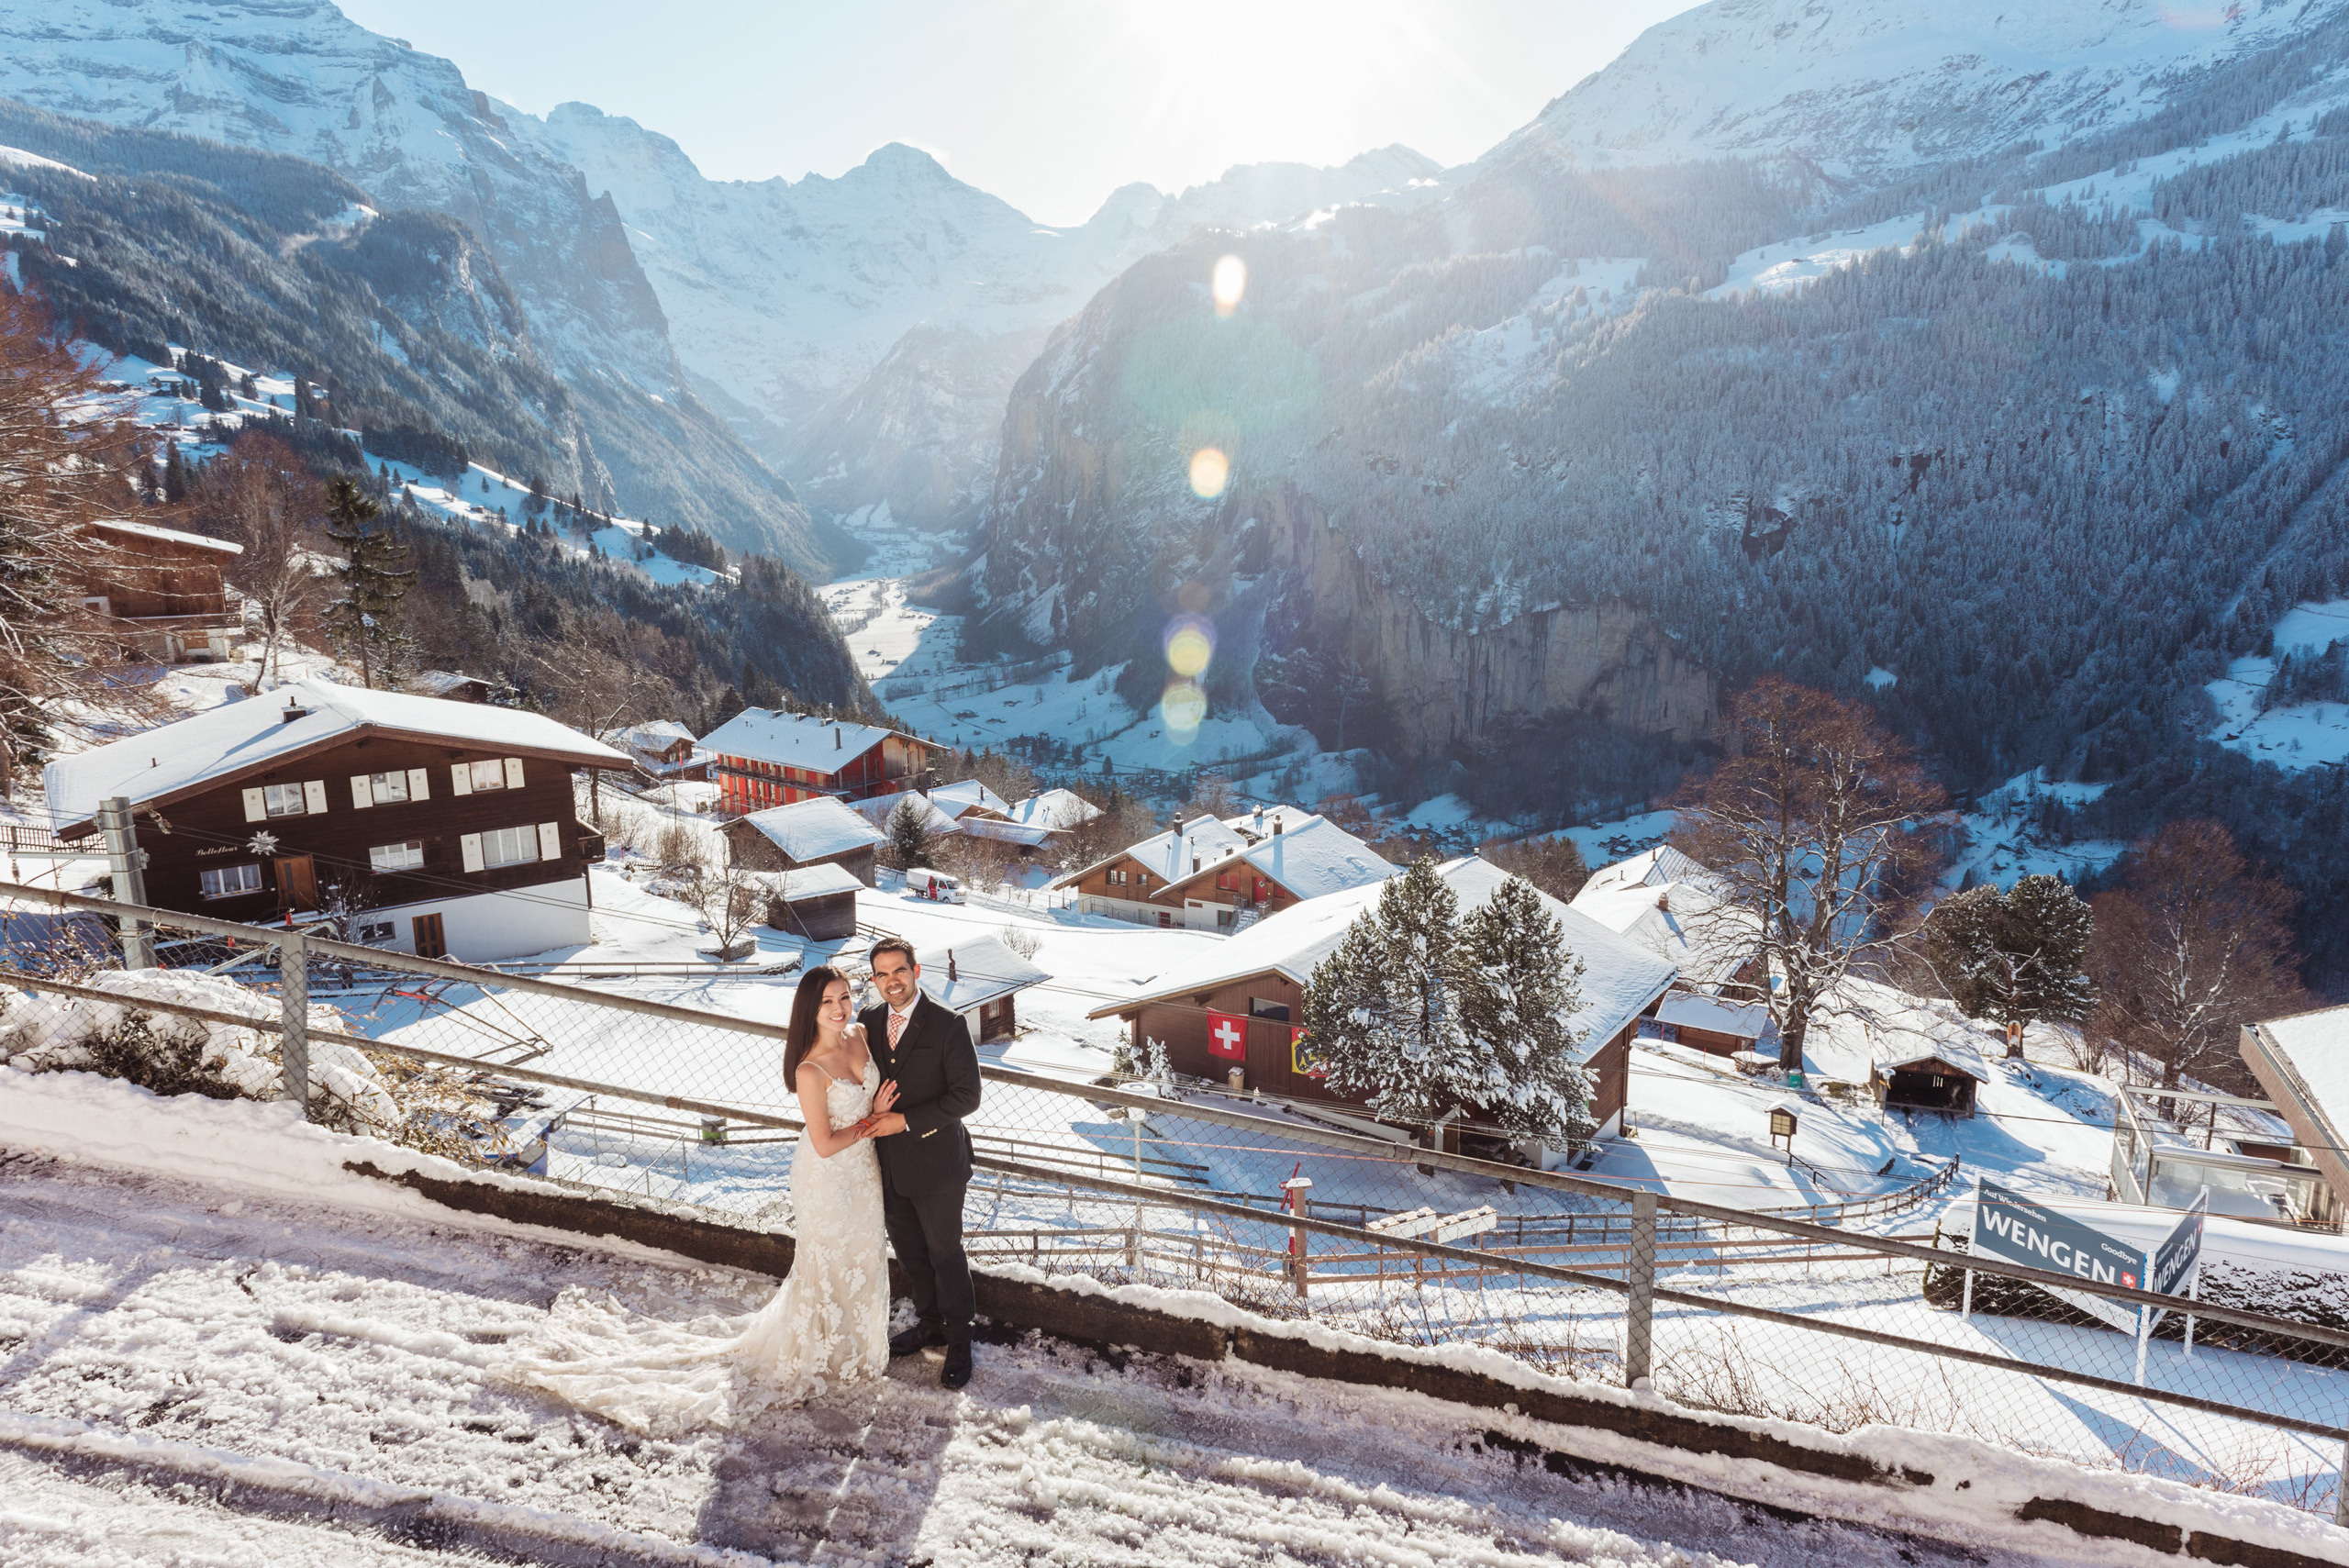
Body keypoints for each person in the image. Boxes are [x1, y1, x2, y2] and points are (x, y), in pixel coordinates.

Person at [495, 965, 903, 1432]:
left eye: (844, 996)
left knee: (862, 1254)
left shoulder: (860, 1034)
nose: (839, 1008)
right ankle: (820, 1352)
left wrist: (875, 1116)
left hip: (863, 1171)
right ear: (809, 1009)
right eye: (827, 1001)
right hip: (827, 1176)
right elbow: (826, 1143)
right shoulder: (810, 1069)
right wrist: (875, 1121)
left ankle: (856, 1345)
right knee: (826, 1262)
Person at [862, 936, 983, 1389]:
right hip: (889, 1165)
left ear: (916, 971)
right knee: (911, 1253)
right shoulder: (868, 1020)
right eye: (882, 974)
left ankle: (960, 1338)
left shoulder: (948, 1024)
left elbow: (967, 1096)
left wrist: (906, 1121)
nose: (892, 981)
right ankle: (930, 1324)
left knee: (945, 1253)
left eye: (900, 970)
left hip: (938, 1165)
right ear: (874, 980)